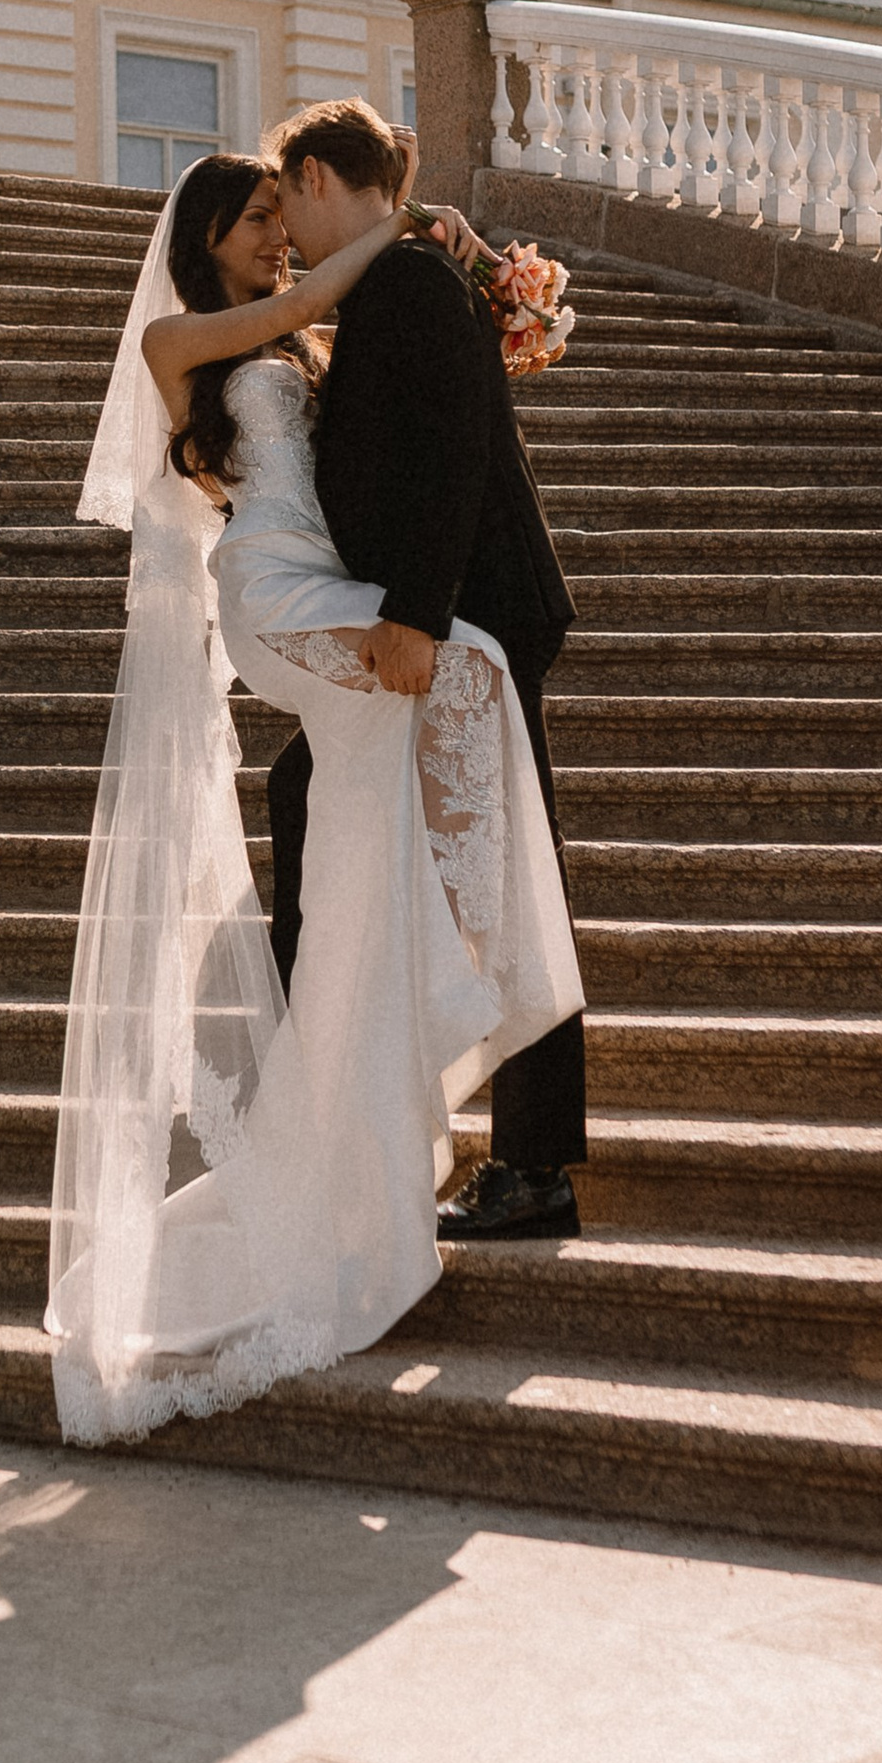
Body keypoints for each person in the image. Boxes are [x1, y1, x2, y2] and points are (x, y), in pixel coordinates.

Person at [45, 143, 583, 1445]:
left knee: (366, 824)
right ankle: (474, 960)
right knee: (472, 667)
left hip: (326, 586)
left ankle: (379, 1096)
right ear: (212, 233)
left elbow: (384, 419)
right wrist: (416, 237)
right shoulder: (186, 337)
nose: (281, 235)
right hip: (275, 600)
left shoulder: (306, 336)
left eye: (288, 213)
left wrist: (462, 286)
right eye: (260, 218)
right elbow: (295, 314)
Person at [265, 97, 588, 1241]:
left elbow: (457, 449)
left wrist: (415, 615)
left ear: (311, 175)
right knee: (304, 790)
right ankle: (327, 1091)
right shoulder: (400, 272)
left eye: (284, 207)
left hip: (471, 621)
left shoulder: (405, 281)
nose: (288, 239)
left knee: (511, 882)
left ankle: (536, 1166)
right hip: (455, 620)